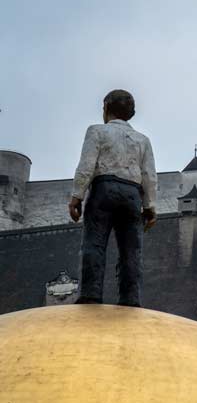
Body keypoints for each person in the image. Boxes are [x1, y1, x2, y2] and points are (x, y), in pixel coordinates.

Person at [69, 89, 157, 306]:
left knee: (94, 243)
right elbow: (149, 175)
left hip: (104, 189)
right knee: (131, 250)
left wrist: (76, 197)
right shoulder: (142, 140)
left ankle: (91, 294)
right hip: (132, 194)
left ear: (106, 107)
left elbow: (86, 166)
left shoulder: (97, 131)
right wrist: (150, 206)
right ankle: (130, 298)